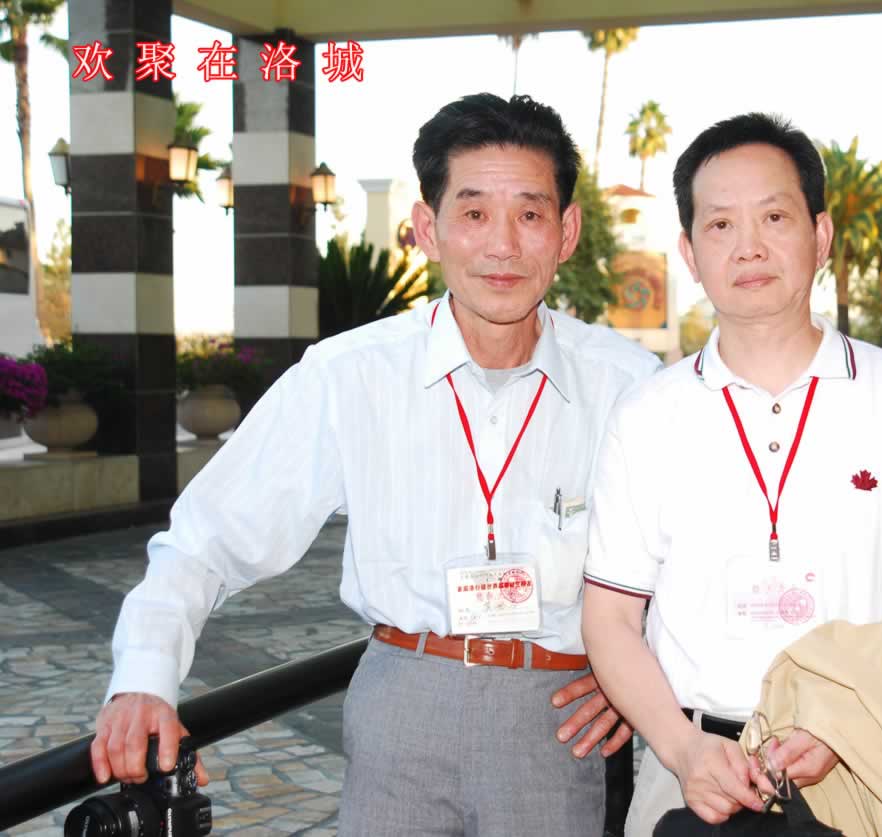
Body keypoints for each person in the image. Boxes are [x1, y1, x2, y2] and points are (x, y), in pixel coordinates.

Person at [90, 93, 660, 836]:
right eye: (473, 212)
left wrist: (642, 675)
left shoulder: (628, 384)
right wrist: (143, 678)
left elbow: (687, 556)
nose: (503, 245)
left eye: (530, 213)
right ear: (427, 228)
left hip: (555, 719)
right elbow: (205, 538)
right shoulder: (350, 374)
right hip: (402, 705)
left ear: (567, 232)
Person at [579, 113, 882, 835]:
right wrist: (683, 749)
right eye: (720, 225)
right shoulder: (646, 414)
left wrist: (849, 721)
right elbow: (611, 618)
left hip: (872, 767)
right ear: (689, 252)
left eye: (774, 217)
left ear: (821, 234)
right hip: (689, 773)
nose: (748, 246)